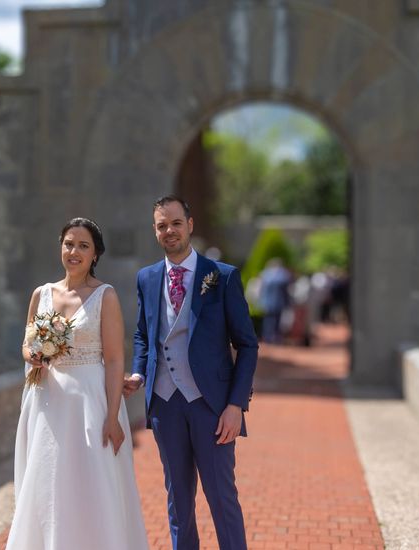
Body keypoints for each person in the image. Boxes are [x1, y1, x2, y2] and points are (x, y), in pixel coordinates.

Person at [123, 196, 258, 550]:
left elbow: (247, 345)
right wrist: (138, 373)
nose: (169, 230)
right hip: (165, 406)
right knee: (178, 501)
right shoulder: (147, 278)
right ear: (155, 231)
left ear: (190, 224)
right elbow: (142, 332)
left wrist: (235, 405)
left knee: (221, 499)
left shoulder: (223, 277)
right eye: (161, 225)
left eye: (175, 223)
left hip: (212, 407)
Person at [7, 218, 148, 550]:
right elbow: (26, 344)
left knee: (93, 485)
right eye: (69, 243)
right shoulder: (40, 294)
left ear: (95, 254)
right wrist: (32, 354)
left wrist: (113, 416)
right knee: (47, 481)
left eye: (83, 246)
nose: (74, 251)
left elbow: (114, 360)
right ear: (61, 247)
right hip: (45, 402)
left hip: (90, 403)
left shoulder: (105, 296)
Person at [257, 258, 291, 344]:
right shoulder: (283, 275)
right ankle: (275, 337)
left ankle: (268, 337)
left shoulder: (265, 275)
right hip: (278, 301)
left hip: (267, 302)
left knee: (268, 320)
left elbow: (260, 289)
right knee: (276, 320)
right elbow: (287, 290)